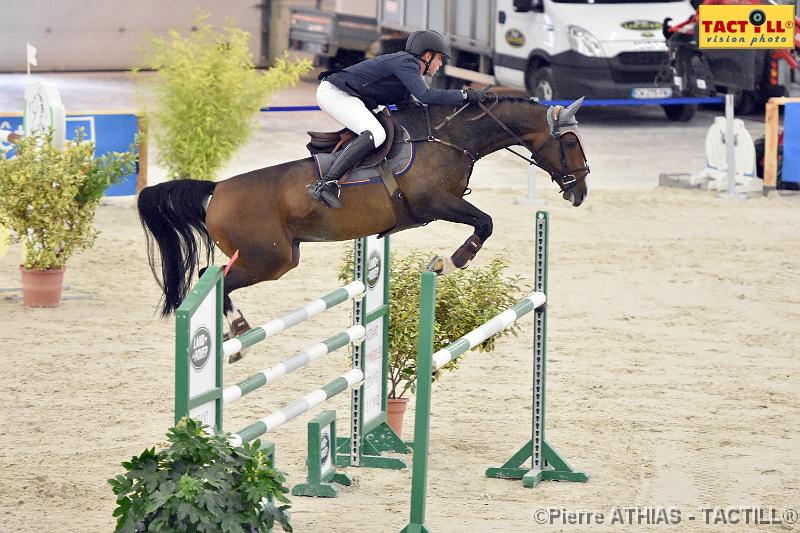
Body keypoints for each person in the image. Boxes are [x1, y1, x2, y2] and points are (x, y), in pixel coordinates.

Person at [309, 29, 486, 208]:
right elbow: (426, 96)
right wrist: (464, 95)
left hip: (350, 96)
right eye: (440, 59)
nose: (440, 65)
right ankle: (327, 183)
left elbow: (413, 110)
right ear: (427, 56)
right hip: (335, 94)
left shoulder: (408, 71)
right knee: (376, 133)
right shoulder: (407, 63)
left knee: (384, 131)